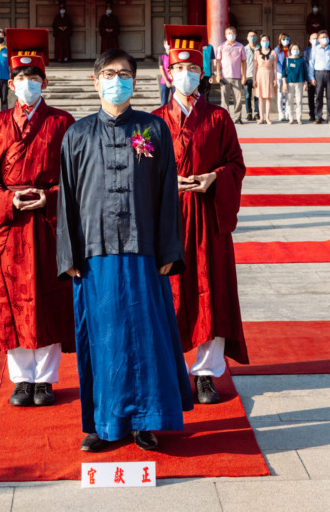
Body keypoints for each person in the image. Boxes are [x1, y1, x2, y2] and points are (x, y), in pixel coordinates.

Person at [57, 49, 192, 453]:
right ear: (96, 81)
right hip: (95, 255)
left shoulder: (152, 130)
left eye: (126, 74)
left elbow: (168, 191)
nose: (119, 80)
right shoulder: (77, 134)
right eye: (111, 74)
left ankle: (145, 422)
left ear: (136, 81)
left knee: (145, 338)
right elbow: (66, 199)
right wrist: (70, 257)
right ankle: (102, 424)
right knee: (103, 339)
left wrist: (169, 248)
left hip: (144, 250)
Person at [0, 29, 76, 408]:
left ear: (44, 82)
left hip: (49, 224)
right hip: (11, 224)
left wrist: (49, 198)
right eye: (21, 79)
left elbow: (79, 177)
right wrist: (6, 200)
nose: (27, 85)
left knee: (49, 297)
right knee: (11, 298)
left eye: (34, 79)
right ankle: (21, 379)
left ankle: (45, 379)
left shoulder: (63, 123)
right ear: (10, 83)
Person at [150, 25, 248, 404]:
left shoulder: (219, 118)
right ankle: (170, 371)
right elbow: (139, 172)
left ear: (201, 74)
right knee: (170, 293)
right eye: (179, 70)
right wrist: (166, 184)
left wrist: (214, 177)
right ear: (168, 73)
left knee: (209, 289)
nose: (186, 76)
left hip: (208, 216)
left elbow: (236, 165)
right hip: (169, 218)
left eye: (192, 71)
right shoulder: (153, 121)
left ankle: (206, 374)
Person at [215, 26, 246, 123]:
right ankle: (225, 117)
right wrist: (218, 74)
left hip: (237, 76)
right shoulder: (221, 46)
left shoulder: (240, 47)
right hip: (225, 76)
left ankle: (238, 117)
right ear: (225, 35)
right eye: (229, 33)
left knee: (238, 99)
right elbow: (218, 61)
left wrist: (244, 75)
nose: (230, 35)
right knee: (224, 98)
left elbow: (244, 62)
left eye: (232, 33)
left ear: (235, 35)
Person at [308, 31, 330, 122]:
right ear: (318, 39)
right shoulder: (315, 49)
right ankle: (318, 116)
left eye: (326, 37)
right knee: (318, 96)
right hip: (319, 74)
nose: (324, 39)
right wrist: (311, 77)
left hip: (329, 73)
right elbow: (311, 64)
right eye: (322, 37)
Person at [251, 34, 277, 125]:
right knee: (261, 97)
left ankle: (268, 118)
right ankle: (261, 118)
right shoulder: (257, 52)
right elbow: (254, 67)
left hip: (269, 74)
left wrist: (275, 79)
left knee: (268, 98)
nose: (264, 42)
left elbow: (275, 67)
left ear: (269, 42)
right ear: (260, 42)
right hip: (260, 74)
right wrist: (254, 79)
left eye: (266, 40)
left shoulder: (273, 52)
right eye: (262, 41)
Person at [282, 43, 307, 123]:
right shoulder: (286, 59)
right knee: (290, 101)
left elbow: (305, 72)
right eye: (293, 49)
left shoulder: (302, 60)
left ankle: (299, 117)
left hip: (299, 82)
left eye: (297, 49)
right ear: (290, 50)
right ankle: (291, 117)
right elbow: (283, 73)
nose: (295, 50)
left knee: (299, 101)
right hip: (290, 82)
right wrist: (284, 83)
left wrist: (305, 83)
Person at [242, 31, 258, 120]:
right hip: (247, 76)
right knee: (247, 96)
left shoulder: (259, 49)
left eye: (254, 36)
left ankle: (257, 113)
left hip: (257, 77)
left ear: (257, 37)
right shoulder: (244, 49)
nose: (252, 37)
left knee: (257, 96)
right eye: (250, 36)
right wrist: (243, 76)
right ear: (247, 38)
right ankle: (248, 113)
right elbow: (241, 64)